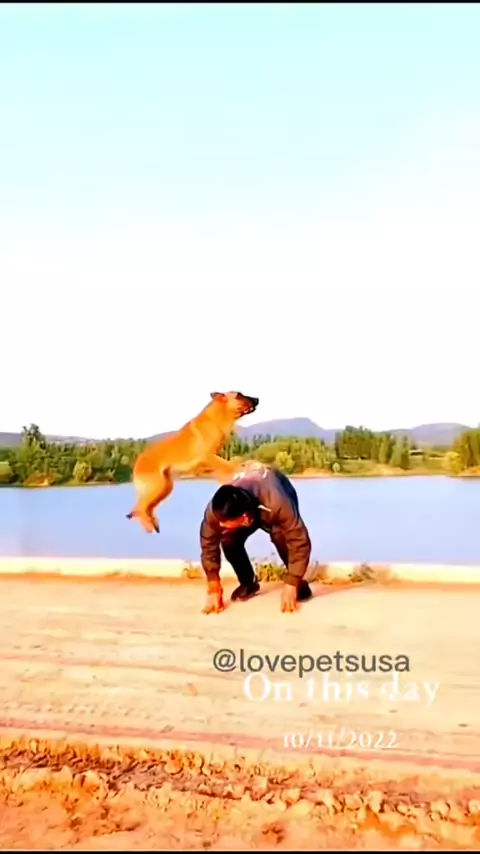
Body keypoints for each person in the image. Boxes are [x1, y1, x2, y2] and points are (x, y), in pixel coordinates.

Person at [199, 462, 313, 613]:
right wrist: (213, 586)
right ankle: (248, 583)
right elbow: (208, 544)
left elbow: (299, 540)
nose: (219, 524)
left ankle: (298, 582)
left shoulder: (277, 502)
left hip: (276, 491)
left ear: (244, 518)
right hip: (249, 499)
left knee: (281, 536)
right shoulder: (216, 511)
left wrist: (292, 583)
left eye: (225, 522)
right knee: (227, 538)